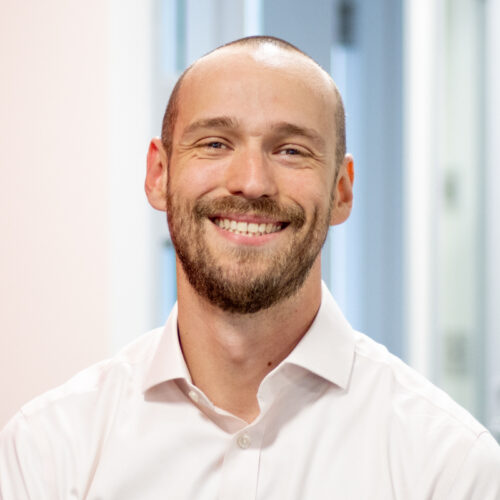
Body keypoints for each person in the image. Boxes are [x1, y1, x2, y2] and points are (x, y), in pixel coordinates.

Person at [1, 35, 499, 499]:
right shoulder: (48, 453)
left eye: (291, 150)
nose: (252, 182)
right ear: (158, 173)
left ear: (342, 191)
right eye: (215, 143)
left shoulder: (449, 467)